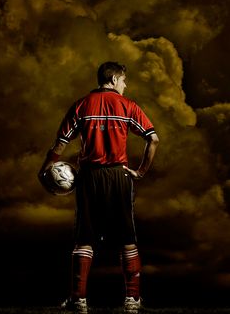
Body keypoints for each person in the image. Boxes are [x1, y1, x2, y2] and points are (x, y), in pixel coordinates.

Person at [38, 61, 159, 313]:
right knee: (127, 238)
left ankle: (78, 300)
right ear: (114, 79)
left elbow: (59, 145)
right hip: (118, 176)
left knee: (84, 239)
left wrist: (45, 169)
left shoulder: (81, 105)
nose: (125, 86)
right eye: (124, 81)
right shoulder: (128, 106)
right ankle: (132, 301)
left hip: (89, 177)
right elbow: (153, 139)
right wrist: (140, 171)